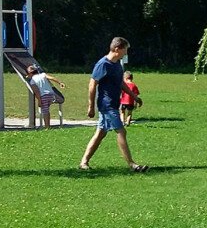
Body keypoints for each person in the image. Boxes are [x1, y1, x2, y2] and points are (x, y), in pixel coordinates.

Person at [80, 37, 147, 173]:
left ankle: (83, 162)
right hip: (106, 105)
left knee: (100, 134)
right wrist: (91, 106)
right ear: (117, 49)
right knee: (121, 131)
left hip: (113, 104)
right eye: (125, 50)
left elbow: (121, 83)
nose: (126, 53)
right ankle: (132, 164)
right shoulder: (103, 64)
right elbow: (92, 84)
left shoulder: (117, 64)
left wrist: (134, 96)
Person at [25, 63, 65, 130]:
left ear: (30, 74)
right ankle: (53, 101)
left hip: (43, 96)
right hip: (51, 94)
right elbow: (52, 78)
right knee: (47, 108)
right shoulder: (43, 75)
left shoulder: (32, 81)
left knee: (45, 111)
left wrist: (39, 101)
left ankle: (47, 127)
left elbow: (36, 92)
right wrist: (60, 82)